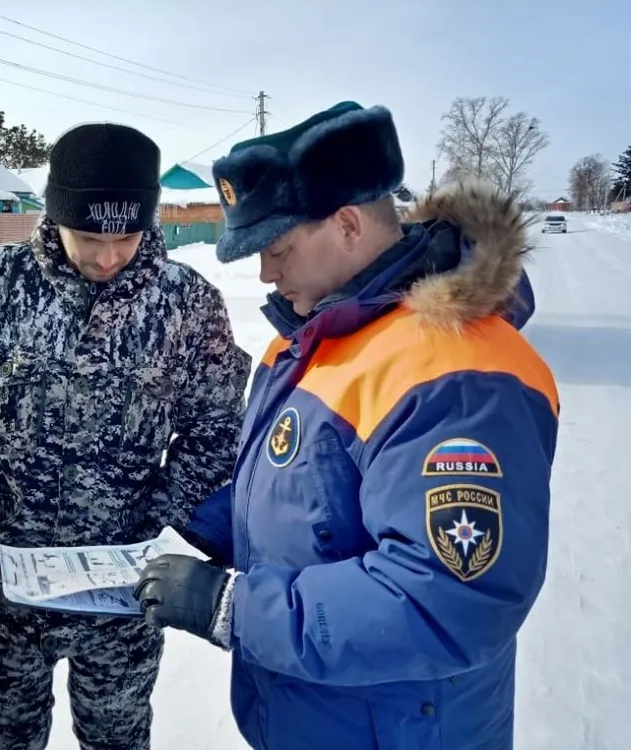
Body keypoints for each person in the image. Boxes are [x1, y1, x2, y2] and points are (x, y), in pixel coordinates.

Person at [134, 101, 559, 750]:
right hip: (318, 718)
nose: (264, 273)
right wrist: (202, 516)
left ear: (349, 225)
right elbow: (321, 504)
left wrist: (233, 606)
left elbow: (446, 599)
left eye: (277, 249)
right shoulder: (309, 341)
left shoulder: (459, 373)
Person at [0, 122, 251, 750]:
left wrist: (160, 518)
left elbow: (218, 427)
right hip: (2, 592)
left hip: (122, 599)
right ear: (53, 213)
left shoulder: (187, 305)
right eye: (89, 236)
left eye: (126, 236)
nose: (108, 256)